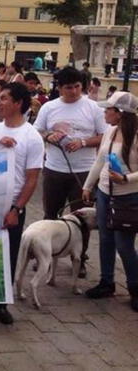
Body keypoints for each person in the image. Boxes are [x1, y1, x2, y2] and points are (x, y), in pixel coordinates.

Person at [0, 82, 44, 324]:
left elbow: (32, 179)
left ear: (18, 103)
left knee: (7, 254)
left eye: (4, 98)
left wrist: (17, 208)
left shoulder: (32, 137)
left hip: (11, 206)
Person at [34, 66, 107, 277]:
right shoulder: (49, 107)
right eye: (68, 87)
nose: (73, 91)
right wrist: (49, 136)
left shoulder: (93, 108)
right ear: (59, 88)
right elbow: (38, 130)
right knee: (50, 215)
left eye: (77, 87)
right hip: (55, 169)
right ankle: (45, 257)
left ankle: (80, 258)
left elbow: (104, 136)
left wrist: (83, 142)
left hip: (84, 171)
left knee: (82, 218)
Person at [82, 92, 138, 311]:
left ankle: (135, 286)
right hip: (105, 192)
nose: (104, 113)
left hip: (129, 196)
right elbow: (100, 161)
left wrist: (126, 178)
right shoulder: (110, 132)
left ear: (120, 113)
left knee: (124, 245)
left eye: (109, 110)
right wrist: (88, 185)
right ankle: (107, 282)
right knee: (105, 238)